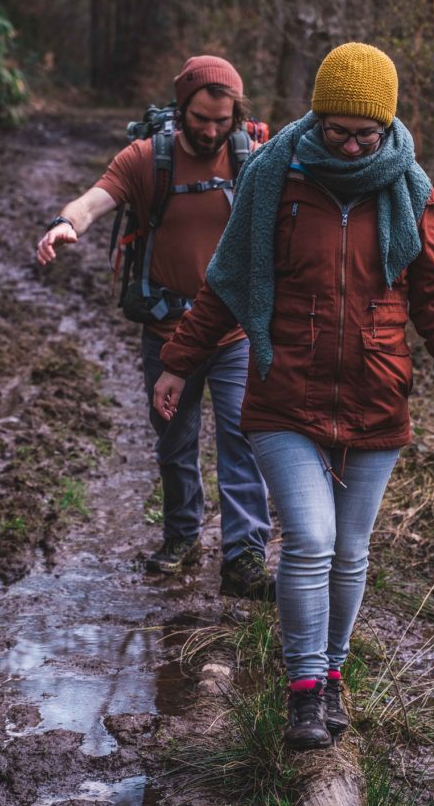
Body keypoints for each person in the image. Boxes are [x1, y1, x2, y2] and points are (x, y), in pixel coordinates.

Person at [153, 42, 434, 749]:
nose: (348, 146)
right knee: (309, 541)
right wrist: (178, 361)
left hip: (377, 398)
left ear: (386, 127)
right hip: (285, 392)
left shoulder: (408, 190)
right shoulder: (274, 179)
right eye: (336, 130)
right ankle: (304, 688)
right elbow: (229, 282)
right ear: (316, 119)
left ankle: (333, 673)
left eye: (363, 135)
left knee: (349, 551)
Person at [36, 55, 273, 600]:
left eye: (223, 120)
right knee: (175, 443)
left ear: (237, 113)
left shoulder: (252, 157)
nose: (212, 130)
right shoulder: (147, 159)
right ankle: (182, 536)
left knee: (242, 442)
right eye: (201, 118)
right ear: (181, 107)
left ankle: (244, 558)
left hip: (235, 333)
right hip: (168, 332)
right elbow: (95, 200)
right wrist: (65, 224)